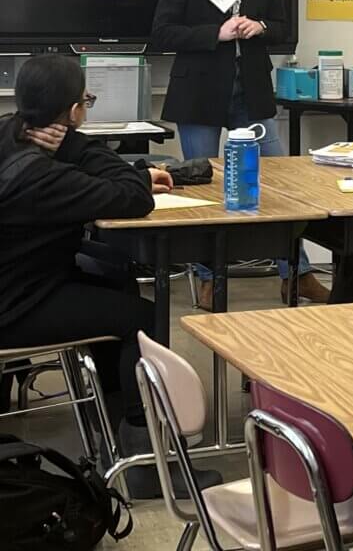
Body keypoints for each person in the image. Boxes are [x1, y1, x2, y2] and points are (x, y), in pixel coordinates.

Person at [0, 55, 218, 498]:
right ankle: (141, 463)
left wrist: (75, 142)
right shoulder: (43, 177)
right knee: (140, 318)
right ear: (73, 112)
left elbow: (92, 163)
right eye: (85, 102)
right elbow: (131, 196)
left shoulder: (10, 133)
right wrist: (136, 175)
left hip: (20, 284)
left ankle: (116, 441)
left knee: (115, 283)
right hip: (16, 305)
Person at [151, 0, 327, 305]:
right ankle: (209, 277)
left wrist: (259, 27)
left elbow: (285, 28)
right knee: (202, 185)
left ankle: (297, 273)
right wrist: (218, 32)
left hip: (250, 87)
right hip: (200, 93)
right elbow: (162, 32)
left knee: (280, 181)